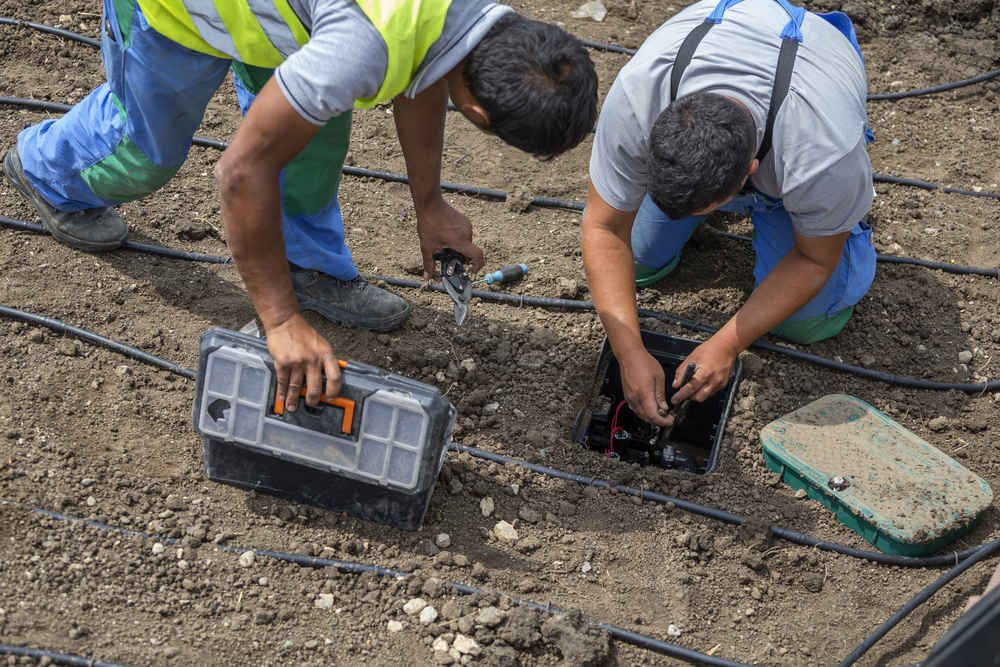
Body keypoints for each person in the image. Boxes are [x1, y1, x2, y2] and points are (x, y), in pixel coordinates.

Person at [4, 0, 597, 411]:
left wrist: (430, 203)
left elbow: (425, 67)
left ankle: (303, 263)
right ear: (480, 117)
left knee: (310, 149)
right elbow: (240, 171)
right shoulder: (359, 46)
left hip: (290, 18)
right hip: (179, 15)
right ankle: (45, 171)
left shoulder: (478, 23)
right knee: (143, 151)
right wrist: (280, 323)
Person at [581, 0, 876, 426]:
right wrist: (628, 351)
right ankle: (696, 204)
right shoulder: (636, 98)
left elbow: (815, 260)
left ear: (747, 176)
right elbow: (604, 226)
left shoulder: (822, 155)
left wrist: (726, 344)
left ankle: (836, 223)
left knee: (805, 322)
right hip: (736, 55)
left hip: (812, 70)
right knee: (639, 263)